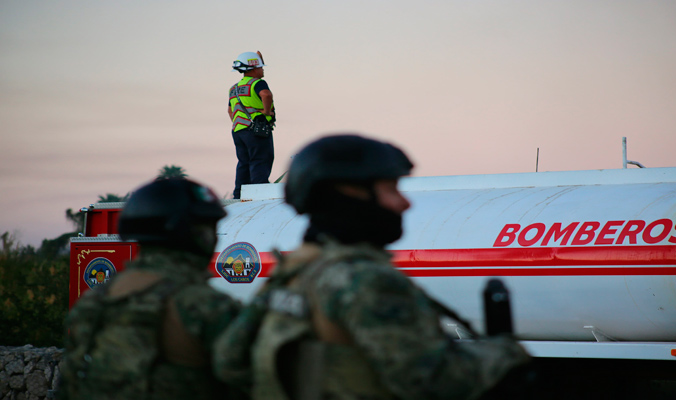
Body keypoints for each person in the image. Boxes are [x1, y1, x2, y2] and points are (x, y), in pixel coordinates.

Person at [214, 134, 531, 400]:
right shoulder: (367, 281)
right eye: (391, 189)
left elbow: (230, 361)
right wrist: (503, 353)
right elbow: (431, 381)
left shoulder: (291, 272)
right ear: (349, 193)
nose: (404, 203)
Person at [58, 178, 243, 400]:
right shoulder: (207, 306)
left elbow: (69, 385)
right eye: (207, 227)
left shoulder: (96, 300)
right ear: (184, 231)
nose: (213, 237)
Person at [229, 50, 276, 198]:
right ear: (254, 68)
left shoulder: (234, 88)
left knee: (244, 162)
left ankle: (239, 195)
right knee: (261, 158)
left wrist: (240, 123)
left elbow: (230, 110)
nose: (263, 70)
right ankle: (259, 191)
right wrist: (267, 112)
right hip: (256, 129)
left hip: (238, 130)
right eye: (261, 67)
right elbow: (266, 95)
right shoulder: (258, 83)